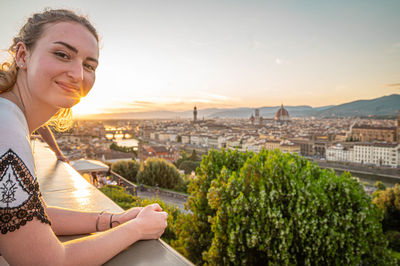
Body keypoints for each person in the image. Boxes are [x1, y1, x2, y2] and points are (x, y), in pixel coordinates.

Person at [0, 9, 168, 265]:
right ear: (22, 55)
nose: (78, 75)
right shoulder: (6, 127)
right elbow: (49, 262)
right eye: (62, 54)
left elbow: (29, 215)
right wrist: (138, 229)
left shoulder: (9, 115)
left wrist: (114, 220)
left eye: (89, 65)